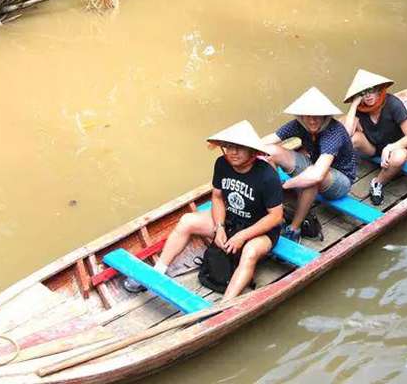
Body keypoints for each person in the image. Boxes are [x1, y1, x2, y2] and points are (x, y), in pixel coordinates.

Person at [125, 120, 283, 301]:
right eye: (228, 147)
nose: (232, 152)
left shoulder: (267, 176)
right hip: (231, 219)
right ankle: (158, 271)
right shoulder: (222, 164)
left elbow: (275, 217)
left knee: (250, 252)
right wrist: (220, 227)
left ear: (253, 152)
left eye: (239, 147)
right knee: (187, 221)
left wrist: (243, 236)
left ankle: (224, 305)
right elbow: (217, 197)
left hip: (260, 229)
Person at [264, 87, 357, 243]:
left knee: (312, 179)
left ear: (325, 117)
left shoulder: (334, 131)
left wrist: (284, 185)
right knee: (270, 151)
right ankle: (276, 211)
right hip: (314, 166)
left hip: (340, 180)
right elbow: (268, 141)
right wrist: (241, 148)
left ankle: (294, 228)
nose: (312, 121)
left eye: (317, 117)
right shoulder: (298, 124)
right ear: (301, 116)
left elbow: (318, 174)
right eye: (308, 116)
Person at [342, 69, 407, 206]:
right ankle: (343, 171)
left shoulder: (393, 104)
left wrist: (390, 148)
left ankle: (377, 183)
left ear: (379, 89)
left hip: (395, 147)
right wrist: (353, 105)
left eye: (371, 90)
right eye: (363, 93)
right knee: (353, 139)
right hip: (373, 146)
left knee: (399, 158)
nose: (368, 95)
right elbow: (347, 134)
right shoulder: (360, 108)